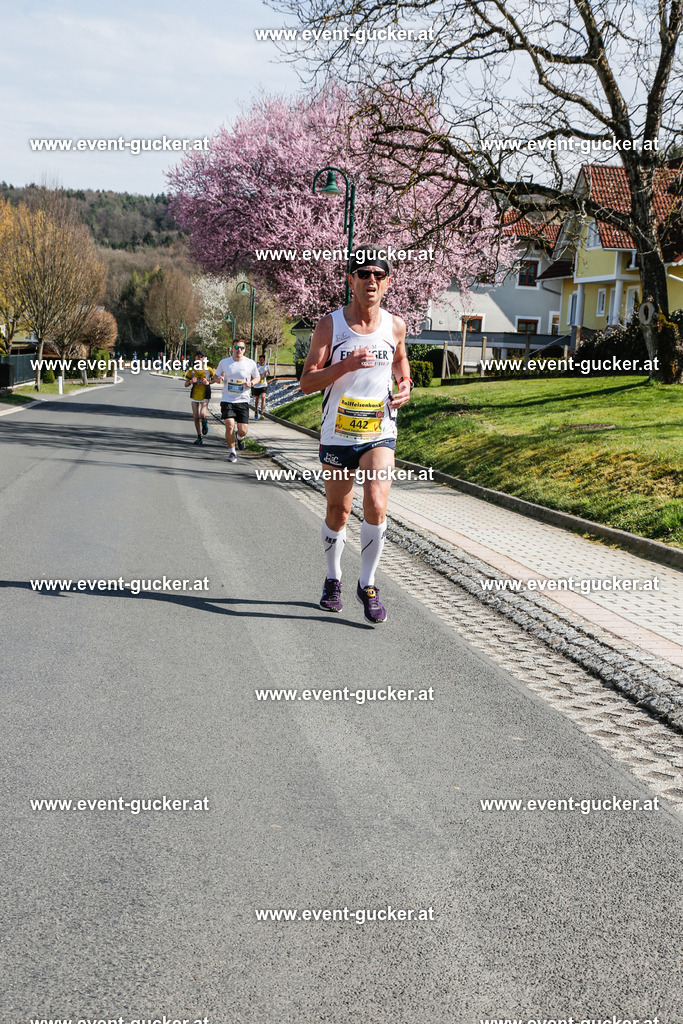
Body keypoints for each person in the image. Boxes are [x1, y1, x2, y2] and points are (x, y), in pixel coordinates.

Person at [299, 245, 412, 624]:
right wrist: (343, 365)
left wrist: (406, 381)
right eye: (364, 274)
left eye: (379, 275)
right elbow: (306, 382)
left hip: (379, 429)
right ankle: (334, 579)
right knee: (338, 511)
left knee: (377, 504)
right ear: (351, 280)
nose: (372, 280)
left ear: (388, 283)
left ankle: (368, 584)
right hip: (337, 432)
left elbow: (399, 358)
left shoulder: (395, 325)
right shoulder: (330, 325)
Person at [212, 340, 260, 463]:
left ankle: (240, 437)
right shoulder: (224, 362)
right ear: (232, 348)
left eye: (241, 348)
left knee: (243, 429)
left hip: (243, 400)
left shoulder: (250, 363)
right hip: (228, 400)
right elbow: (215, 376)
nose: (239, 350)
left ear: (245, 350)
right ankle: (232, 452)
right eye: (236, 347)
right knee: (229, 426)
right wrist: (219, 379)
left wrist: (251, 383)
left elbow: (257, 377)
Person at [184, 349, 214, 445]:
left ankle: (204, 423)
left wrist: (208, 382)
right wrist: (191, 382)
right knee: (196, 417)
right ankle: (199, 436)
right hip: (195, 394)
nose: (200, 358)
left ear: (204, 358)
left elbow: (214, 380)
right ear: (195, 358)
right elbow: (186, 384)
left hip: (205, 393)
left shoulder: (208, 370)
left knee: (202, 414)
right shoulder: (191, 371)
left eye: (202, 356)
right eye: (198, 356)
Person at [253, 353, 270, 419]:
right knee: (257, 399)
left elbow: (268, 373)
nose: (262, 361)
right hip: (257, 385)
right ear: (259, 360)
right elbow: (253, 375)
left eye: (263, 360)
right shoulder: (256, 366)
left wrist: (267, 373)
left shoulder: (266, 366)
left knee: (263, 397)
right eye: (260, 360)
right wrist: (257, 376)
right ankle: (256, 410)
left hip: (263, 385)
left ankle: (262, 413)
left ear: (264, 360)